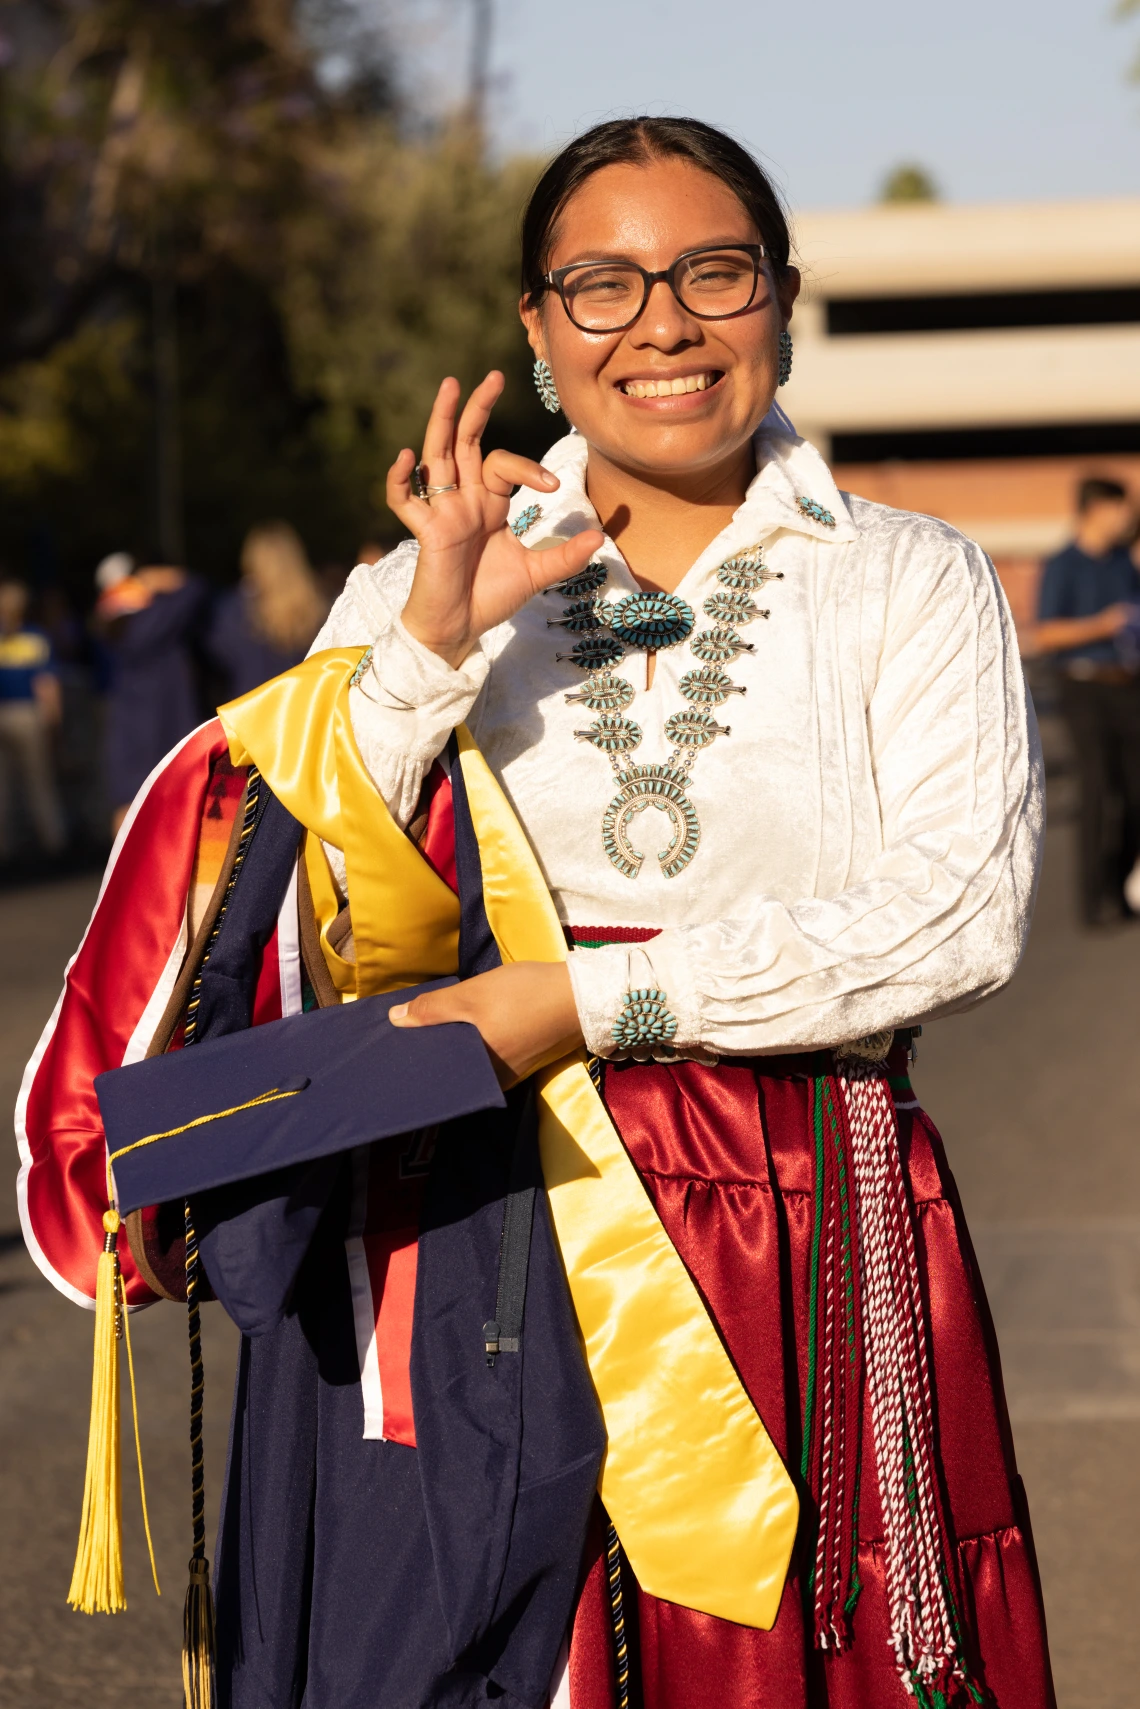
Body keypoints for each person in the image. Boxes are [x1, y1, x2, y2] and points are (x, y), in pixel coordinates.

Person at [19, 118, 1053, 1709]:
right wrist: (432, 641)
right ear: (535, 328)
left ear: (784, 297)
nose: (662, 324)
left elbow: (960, 913)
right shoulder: (424, 573)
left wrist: (589, 1004)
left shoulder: (905, 578)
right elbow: (279, 900)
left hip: (788, 1203)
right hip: (455, 1209)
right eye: (603, 283)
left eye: (714, 272)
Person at [1033, 475, 1140, 925]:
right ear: (1096, 509)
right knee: (1097, 787)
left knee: (1134, 790)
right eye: (1120, 507)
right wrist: (1102, 624)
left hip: (1127, 683)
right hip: (1081, 684)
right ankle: (1093, 902)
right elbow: (1046, 633)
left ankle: (1122, 891)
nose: (1127, 516)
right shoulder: (1062, 565)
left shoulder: (1122, 563)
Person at [95, 551, 209, 833]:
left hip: (130, 733)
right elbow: (195, 589)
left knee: (128, 808)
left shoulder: (110, 626)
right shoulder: (155, 620)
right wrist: (163, 579)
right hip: (167, 730)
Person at [207, 522, 328, 701]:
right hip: (304, 709)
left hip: (249, 712)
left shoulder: (234, 607)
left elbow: (217, 654)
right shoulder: (319, 606)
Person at [0, 577, 66, 860]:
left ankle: (6, 848)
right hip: (28, 716)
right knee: (39, 782)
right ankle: (53, 842)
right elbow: (46, 685)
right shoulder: (36, 638)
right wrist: (54, 722)